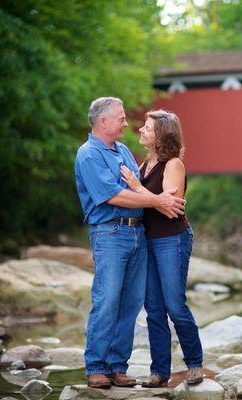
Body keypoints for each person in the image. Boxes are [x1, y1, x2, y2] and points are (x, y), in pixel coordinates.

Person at [75, 97, 186, 389]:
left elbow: (140, 187)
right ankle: (96, 366)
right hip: (109, 233)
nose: (127, 123)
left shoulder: (123, 150)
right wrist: (158, 200)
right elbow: (116, 196)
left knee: (131, 303)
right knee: (107, 299)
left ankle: (116, 367)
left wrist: (157, 198)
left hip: (138, 233)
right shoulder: (88, 154)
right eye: (121, 118)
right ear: (103, 122)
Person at [120, 110, 204, 387]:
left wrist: (135, 188)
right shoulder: (145, 164)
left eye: (147, 127)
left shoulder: (173, 164)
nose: (141, 131)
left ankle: (194, 365)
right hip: (148, 241)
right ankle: (159, 372)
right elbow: (157, 201)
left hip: (172, 239)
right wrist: (142, 192)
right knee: (154, 309)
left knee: (175, 306)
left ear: (162, 135)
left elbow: (169, 209)